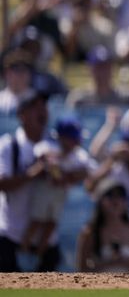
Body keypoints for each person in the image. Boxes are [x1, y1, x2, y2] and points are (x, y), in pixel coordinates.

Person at [0, 90, 60, 271]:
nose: (41, 111)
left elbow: (79, 173)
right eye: (34, 107)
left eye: (44, 106)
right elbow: (2, 183)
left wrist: (60, 175)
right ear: (21, 115)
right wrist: (33, 173)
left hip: (47, 242)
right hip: (12, 237)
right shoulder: (9, 145)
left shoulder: (55, 144)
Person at [20, 116, 93, 259]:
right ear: (61, 137)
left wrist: (65, 176)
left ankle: (37, 258)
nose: (75, 142)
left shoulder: (79, 154)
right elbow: (47, 161)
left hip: (60, 193)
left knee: (51, 225)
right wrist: (61, 174)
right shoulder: (48, 145)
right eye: (72, 138)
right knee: (37, 221)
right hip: (44, 191)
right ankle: (23, 254)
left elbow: (85, 171)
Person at [75, 177, 129, 272]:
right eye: (110, 196)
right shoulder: (89, 232)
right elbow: (81, 269)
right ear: (100, 201)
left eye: (120, 196)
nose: (116, 201)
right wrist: (111, 263)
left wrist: (128, 263)